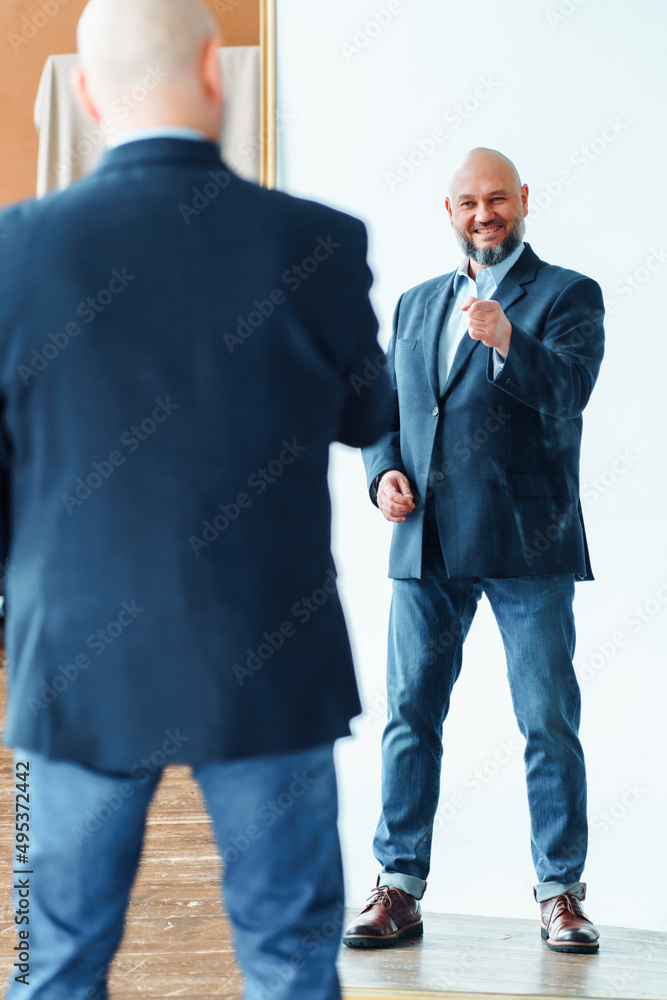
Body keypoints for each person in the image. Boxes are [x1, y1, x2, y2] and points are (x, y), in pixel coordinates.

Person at [0, 1, 391, 997]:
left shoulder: (17, 252)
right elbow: (367, 413)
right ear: (218, 70)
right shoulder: (319, 243)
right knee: (290, 962)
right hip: (267, 659)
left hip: (78, 665)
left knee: (61, 967)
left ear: (86, 95)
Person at [343, 148, 604, 954]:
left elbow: (569, 392)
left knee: (546, 721)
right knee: (408, 720)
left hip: (527, 539)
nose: (483, 213)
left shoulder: (567, 294)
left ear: (523, 200)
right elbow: (382, 405)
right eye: (468, 202)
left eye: (497, 199)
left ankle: (559, 894)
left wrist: (505, 341)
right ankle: (398, 888)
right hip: (426, 541)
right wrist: (383, 470)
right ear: (447, 211)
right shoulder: (418, 303)